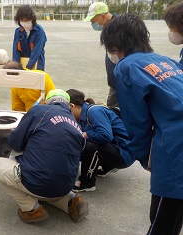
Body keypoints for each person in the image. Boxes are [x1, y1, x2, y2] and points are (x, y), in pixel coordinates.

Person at [100, 13, 183, 235]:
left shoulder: (126, 67)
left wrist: (143, 158)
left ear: (115, 44)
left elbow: (137, 122)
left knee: (161, 220)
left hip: (176, 146)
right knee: (175, 215)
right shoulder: (164, 60)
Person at [0, 89, 89, 224]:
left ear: (47, 102)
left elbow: (15, 143)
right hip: (67, 185)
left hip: (38, 182)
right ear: (70, 106)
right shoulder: (77, 126)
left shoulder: (40, 111)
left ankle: (31, 209)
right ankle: (70, 200)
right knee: (52, 180)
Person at [66, 89, 134, 192]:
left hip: (125, 154)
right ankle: (107, 166)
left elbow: (106, 136)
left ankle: (87, 183)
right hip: (115, 147)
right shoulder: (82, 116)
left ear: (72, 106)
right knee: (82, 143)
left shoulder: (94, 111)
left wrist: (86, 134)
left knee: (90, 146)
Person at [83, 2, 119, 107]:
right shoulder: (108, 27)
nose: (91, 22)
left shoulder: (119, 27)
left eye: (93, 20)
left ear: (102, 16)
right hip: (115, 83)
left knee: (115, 113)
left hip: (122, 82)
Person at [12, 5, 47, 71]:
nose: (24, 22)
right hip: (22, 65)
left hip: (37, 64)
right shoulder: (18, 32)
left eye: (27, 20)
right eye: (22, 20)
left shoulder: (39, 31)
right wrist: (16, 66)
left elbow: (37, 51)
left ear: (32, 19)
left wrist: (28, 67)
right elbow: (15, 50)